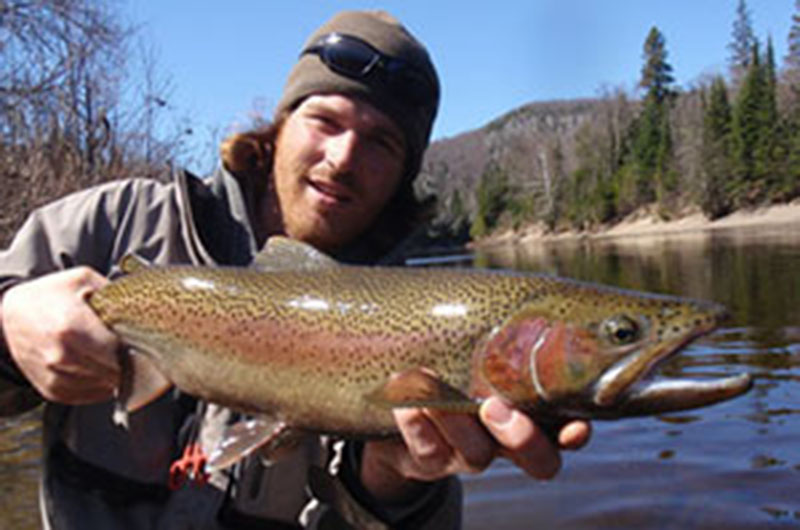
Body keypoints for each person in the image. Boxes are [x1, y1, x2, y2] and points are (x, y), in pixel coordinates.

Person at [0, 10, 590, 529]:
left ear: (404, 176)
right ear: (279, 125)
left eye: (382, 143)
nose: (343, 159)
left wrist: (396, 481)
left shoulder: (420, 324)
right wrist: (8, 327)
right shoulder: (116, 223)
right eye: (326, 122)